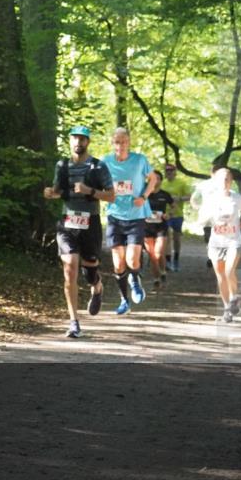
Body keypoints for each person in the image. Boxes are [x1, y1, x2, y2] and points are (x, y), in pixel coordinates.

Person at [43, 125, 115, 338]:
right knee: (70, 268)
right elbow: (57, 192)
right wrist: (49, 193)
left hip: (90, 223)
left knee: (89, 270)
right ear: (70, 141)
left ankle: (97, 286)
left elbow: (111, 196)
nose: (78, 142)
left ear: (88, 142)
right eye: (74, 138)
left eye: (82, 139)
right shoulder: (62, 165)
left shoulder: (98, 167)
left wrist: (89, 191)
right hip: (67, 224)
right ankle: (74, 322)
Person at [101, 128, 158, 315]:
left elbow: (153, 178)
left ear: (129, 142)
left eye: (124, 141)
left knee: (132, 258)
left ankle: (134, 279)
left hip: (136, 214)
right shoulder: (106, 162)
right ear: (112, 143)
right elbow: (97, 182)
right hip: (115, 215)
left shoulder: (140, 160)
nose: (121, 145)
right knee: (118, 263)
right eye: (117, 142)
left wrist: (144, 196)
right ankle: (124, 300)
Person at [198, 168, 241, 322]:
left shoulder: (237, 198)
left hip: (234, 241)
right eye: (221, 179)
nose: (224, 182)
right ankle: (227, 309)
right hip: (216, 242)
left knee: (229, 271)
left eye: (227, 179)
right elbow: (202, 216)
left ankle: (234, 297)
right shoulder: (211, 199)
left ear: (231, 181)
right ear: (216, 181)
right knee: (220, 276)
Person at [160, 163, 192, 272]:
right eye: (167, 171)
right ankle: (168, 261)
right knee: (167, 236)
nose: (169, 172)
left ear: (175, 172)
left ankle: (176, 259)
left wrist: (179, 198)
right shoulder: (162, 183)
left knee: (176, 238)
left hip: (177, 214)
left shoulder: (181, 183)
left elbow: (189, 197)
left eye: (171, 170)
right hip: (165, 214)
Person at [144, 184, 175, 289]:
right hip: (147, 228)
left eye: (157, 178)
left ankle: (163, 271)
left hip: (161, 228)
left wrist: (169, 215)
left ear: (161, 181)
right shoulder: (143, 193)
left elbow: (173, 206)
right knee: (152, 256)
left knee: (158, 253)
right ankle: (157, 279)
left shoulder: (165, 194)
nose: (154, 180)